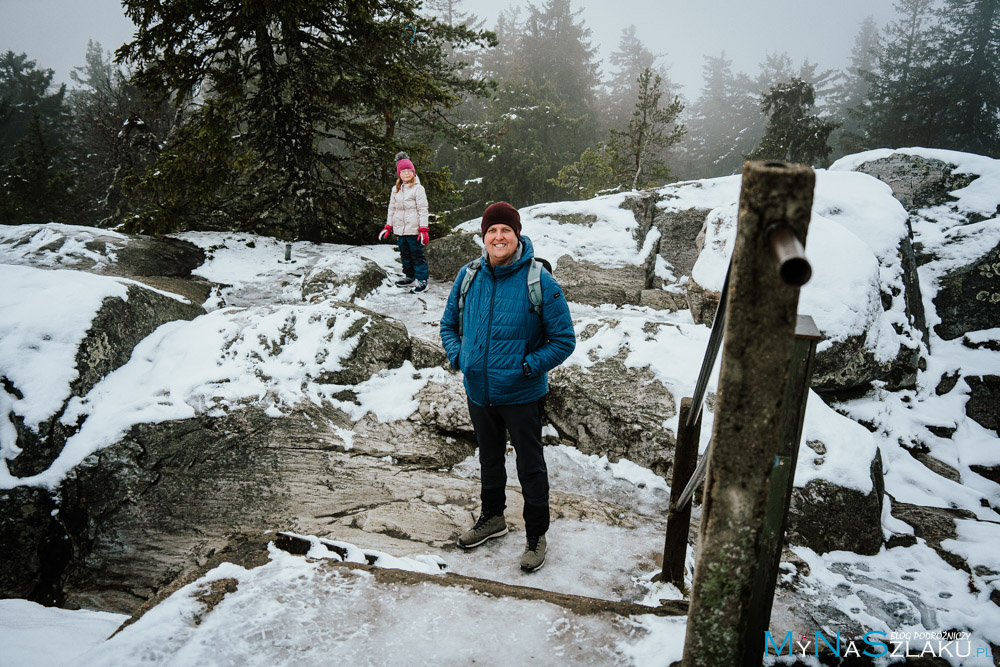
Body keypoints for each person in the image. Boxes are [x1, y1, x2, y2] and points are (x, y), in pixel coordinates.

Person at [439, 201, 576, 572]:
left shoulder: (539, 280)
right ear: (484, 237)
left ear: (516, 236)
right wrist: (459, 357)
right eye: (491, 231)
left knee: (530, 466)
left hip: (520, 392)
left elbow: (564, 339)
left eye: (506, 230)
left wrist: (528, 366)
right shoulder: (468, 277)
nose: (498, 237)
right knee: (488, 457)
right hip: (479, 390)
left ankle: (535, 534)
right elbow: (448, 326)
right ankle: (493, 517)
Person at [379, 152, 430, 293]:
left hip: (414, 230)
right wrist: (388, 226)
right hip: (400, 230)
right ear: (399, 173)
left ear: (413, 172)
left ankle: (422, 280)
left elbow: (423, 209)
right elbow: (392, 208)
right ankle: (410, 277)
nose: (406, 173)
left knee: (417, 255)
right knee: (405, 255)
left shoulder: (418, 189)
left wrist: (423, 229)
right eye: (403, 171)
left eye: (409, 171)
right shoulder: (395, 190)